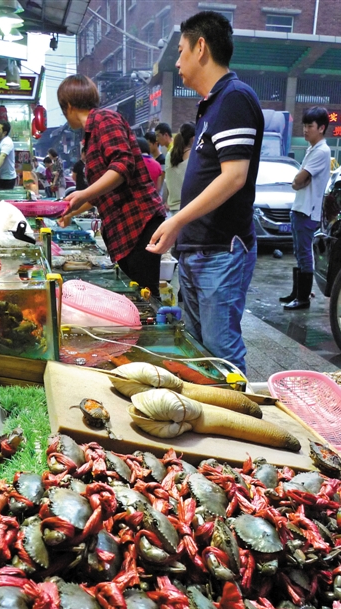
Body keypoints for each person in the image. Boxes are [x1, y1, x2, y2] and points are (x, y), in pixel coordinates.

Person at [146, 11, 264, 375]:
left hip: (220, 251)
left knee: (220, 350)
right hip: (199, 251)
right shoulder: (212, 104)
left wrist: (177, 219)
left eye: (181, 51)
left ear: (201, 47)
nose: (178, 61)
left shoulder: (234, 98)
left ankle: (239, 426)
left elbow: (234, 177)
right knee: (198, 349)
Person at [57, 74, 166, 296]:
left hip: (139, 224)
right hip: (125, 230)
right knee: (137, 296)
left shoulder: (104, 119)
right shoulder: (91, 133)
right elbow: (103, 192)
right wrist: (72, 211)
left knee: (145, 298)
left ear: (67, 106)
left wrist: (83, 193)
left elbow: (123, 165)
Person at [280, 106, 331, 310]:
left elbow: (299, 179)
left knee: (304, 253)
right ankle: (297, 292)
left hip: (307, 211)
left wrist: (298, 181)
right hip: (300, 208)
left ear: (321, 128)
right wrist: (299, 181)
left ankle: (302, 298)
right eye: (304, 125)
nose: (305, 129)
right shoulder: (312, 149)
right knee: (299, 251)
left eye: (310, 126)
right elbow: (299, 181)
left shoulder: (321, 151)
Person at [164, 122, 196, 216]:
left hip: (173, 209)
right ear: (193, 139)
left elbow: (167, 181)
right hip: (189, 208)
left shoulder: (169, 155)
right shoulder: (194, 156)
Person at [0, 121, 17, 190]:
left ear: (4, 132)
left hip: (8, 178)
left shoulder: (7, 142)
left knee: (6, 199)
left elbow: (3, 156)